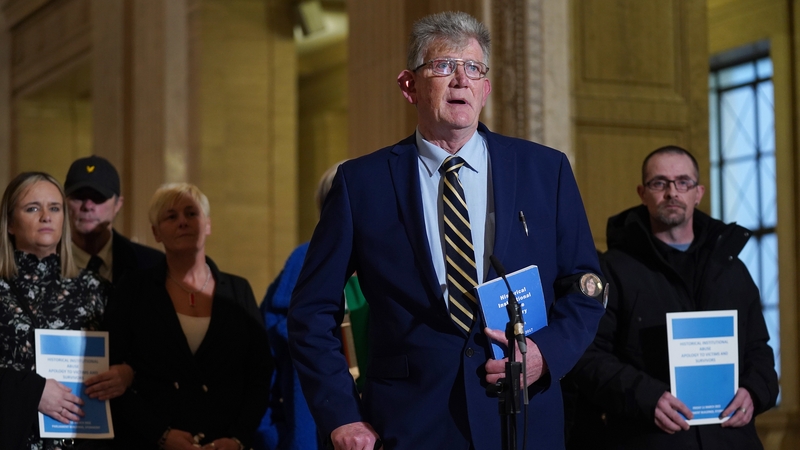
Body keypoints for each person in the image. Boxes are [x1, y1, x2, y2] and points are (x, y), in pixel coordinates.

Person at [287, 11, 605, 450]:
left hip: (521, 418)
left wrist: (545, 354)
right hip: (410, 424)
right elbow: (310, 312)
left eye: (473, 68)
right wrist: (341, 416)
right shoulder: (362, 184)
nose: (460, 80)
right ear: (409, 86)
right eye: (443, 67)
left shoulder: (544, 170)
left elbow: (585, 288)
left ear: (486, 88)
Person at [572, 146, 780, 449]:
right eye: (660, 183)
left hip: (732, 438)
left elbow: (759, 352)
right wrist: (647, 397)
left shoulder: (732, 269)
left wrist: (753, 391)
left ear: (698, 193)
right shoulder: (612, 270)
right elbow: (587, 358)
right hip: (649, 437)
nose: (672, 192)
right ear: (643, 193)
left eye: (683, 182)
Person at [104, 183, 273, 450]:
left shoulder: (239, 290)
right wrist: (159, 434)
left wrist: (239, 437)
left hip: (225, 442)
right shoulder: (134, 289)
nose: (182, 222)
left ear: (207, 225)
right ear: (156, 232)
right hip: (150, 441)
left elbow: (259, 374)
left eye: (191, 213)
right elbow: (113, 371)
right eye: (171, 216)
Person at [256, 161, 369, 450]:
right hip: (313, 434)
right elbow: (260, 366)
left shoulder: (389, 264)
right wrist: (272, 434)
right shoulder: (301, 268)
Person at [0, 172, 107, 449]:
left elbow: (131, 359)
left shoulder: (95, 288)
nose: (46, 216)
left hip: (84, 437)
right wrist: (31, 391)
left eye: (55, 208)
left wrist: (125, 373)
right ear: (10, 223)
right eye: (32, 208)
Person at [64, 155, 163, 285]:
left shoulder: (151, 264)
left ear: (118, 204)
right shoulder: (42, 263)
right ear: (64, 202)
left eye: (98, 197)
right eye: (79, 197)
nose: (88, 206)